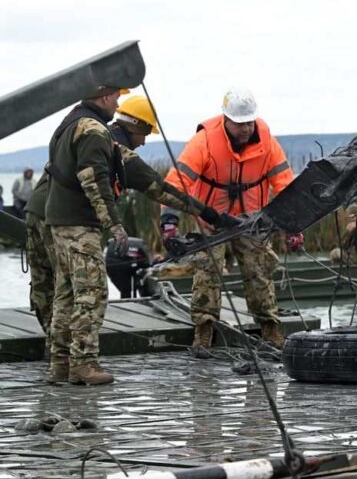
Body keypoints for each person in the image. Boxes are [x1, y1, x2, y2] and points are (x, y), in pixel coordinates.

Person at [41, 90, 233, 386]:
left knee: (66, 293)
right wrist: (115, 226)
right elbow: (94, 180)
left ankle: (60, 364)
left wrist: (207, 213)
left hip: (57, 221)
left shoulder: (77, 125)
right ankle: (83, 364)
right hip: (78, 224)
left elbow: (156, 187)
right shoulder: (95, 133)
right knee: (92, 292)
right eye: (145, 133)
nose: (117, 105)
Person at [162, 87, 300, 354]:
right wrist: (169, 223)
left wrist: (293, 227)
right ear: (225, 120)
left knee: (259, 272)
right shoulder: (204, 142)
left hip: (252, 220)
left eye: (249, 122)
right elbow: (175, 185)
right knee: (207, 272)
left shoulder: (267, 141)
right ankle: (204, 332)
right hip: (210, 220)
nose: (246, 128)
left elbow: (285, 184)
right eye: (239, 124)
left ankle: (271, 331)